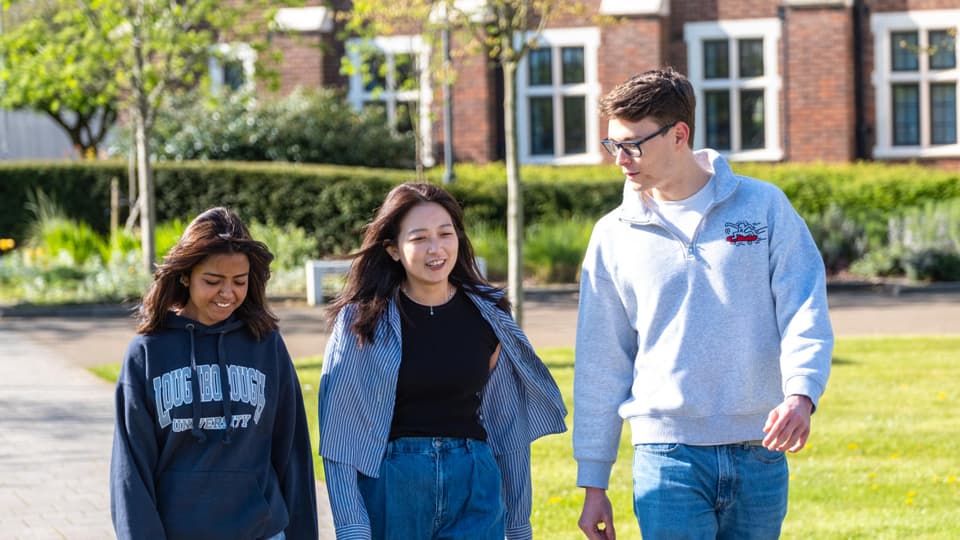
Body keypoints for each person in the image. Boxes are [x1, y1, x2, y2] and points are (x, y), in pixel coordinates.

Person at [573, 68, 834, 540]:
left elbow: (804, 309)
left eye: (632, 144)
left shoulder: (764, 208)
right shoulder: (612, 234)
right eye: (613, 144)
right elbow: (601, 360)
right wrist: (593, 479)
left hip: (760, 448)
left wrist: (802, 392)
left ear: (679, 134)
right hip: (665, 453)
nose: (620, 160)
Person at [317, 182, 568, 539]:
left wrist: (518, 523)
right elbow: (341, 436)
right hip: (395, 487)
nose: (436, 249)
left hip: (474, 484)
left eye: (445, 234)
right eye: (419, 238)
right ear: (392, 249)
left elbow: (508, 429)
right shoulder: (361, 321)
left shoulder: (489, 315)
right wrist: (352, 528)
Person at [110, 207, 318, 540]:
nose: (228, 294)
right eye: (212, 281)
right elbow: (130, 469)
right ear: (185, 275)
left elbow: (292, 452)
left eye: (239, 281)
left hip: (261, 532)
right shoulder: (148, 352)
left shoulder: (265, 345)